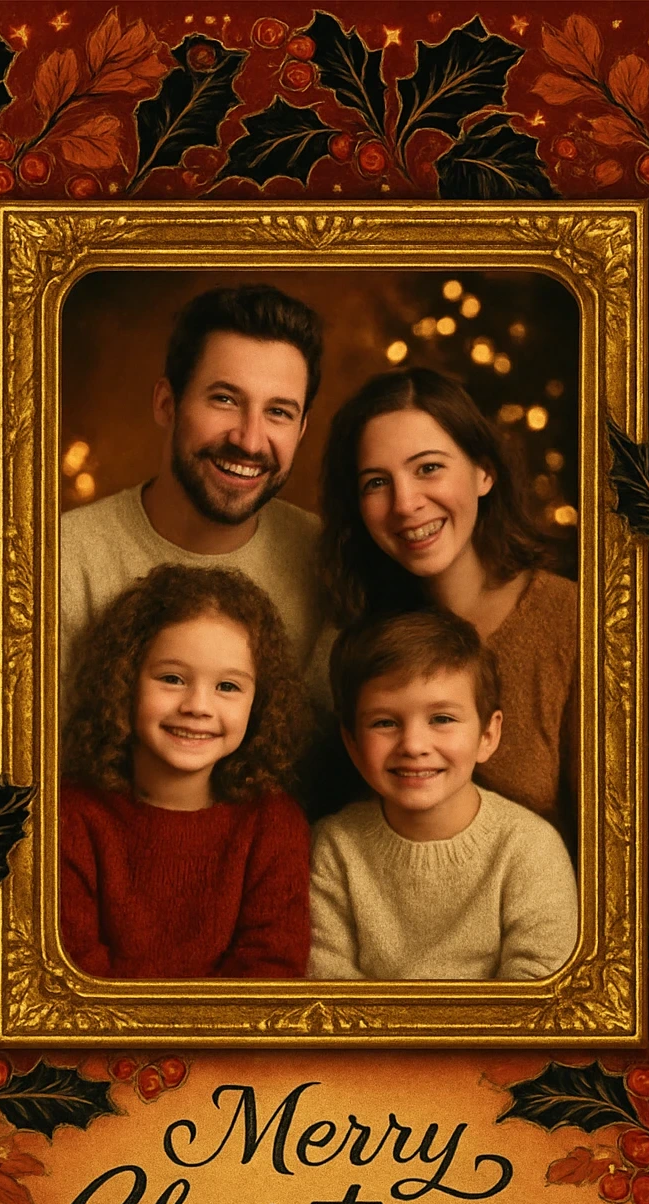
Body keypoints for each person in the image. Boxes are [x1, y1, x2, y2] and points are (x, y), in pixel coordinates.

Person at [319, 367, 578, 846]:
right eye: (376, 482)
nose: (405, 504)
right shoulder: (357, 636)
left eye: (429, 468)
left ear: (484, 471)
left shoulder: (573, 623)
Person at [60, 284, 325, 719]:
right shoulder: (64, 559)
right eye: (224, 399)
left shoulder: (328, 560)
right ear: (167, 404)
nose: (250, 439)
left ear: (300, 429)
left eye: (278, 412)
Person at [60, 565, 310, 979]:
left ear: (259, 703)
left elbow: (269, 976)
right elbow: (73, 980)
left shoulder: (273, 824)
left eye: (227, 687)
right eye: (172, 678)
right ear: (124, 681)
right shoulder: (71, 818)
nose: (198, 706)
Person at [308, 610, 578, 981]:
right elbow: (326, 983)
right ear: (352, 744)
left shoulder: (528, 847)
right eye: (384, 723)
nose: (414, 745)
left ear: (487, 735)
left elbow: (538, 993)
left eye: (442, 719)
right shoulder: (333, 848)